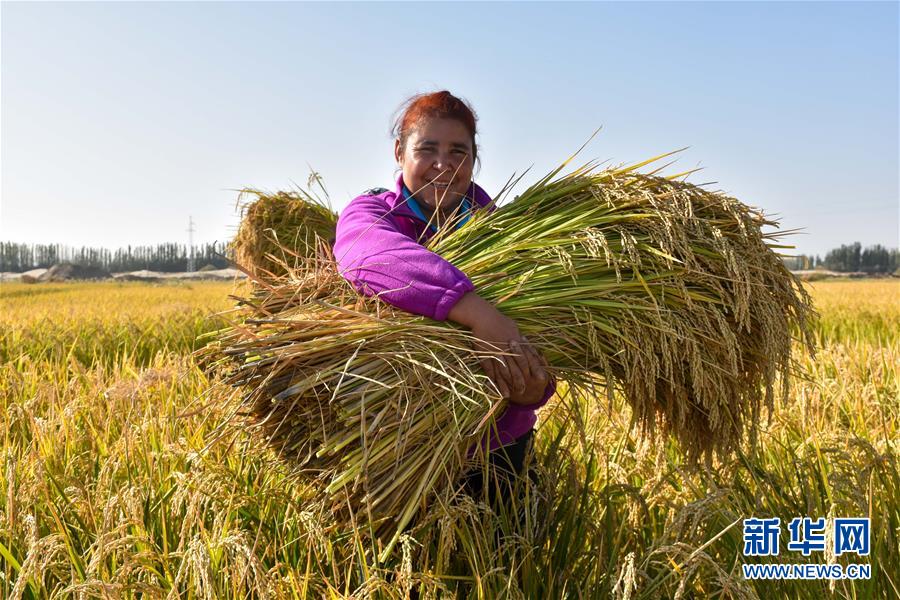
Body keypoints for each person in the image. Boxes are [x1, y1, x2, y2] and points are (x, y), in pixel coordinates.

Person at [332, 90, 555, 513]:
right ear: (399, 152)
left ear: (474, 159)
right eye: (427, 149)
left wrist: (533, 391)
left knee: (505, 564)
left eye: (458, 151)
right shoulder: (374, 214)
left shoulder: (506, 235)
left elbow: (546, 333)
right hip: (400, 448)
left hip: (500, 442)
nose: (443, 165)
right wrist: (477, 312)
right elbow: (371, 257)